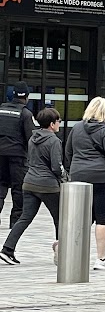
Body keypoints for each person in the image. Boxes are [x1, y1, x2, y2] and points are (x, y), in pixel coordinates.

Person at [0, 108, 63, 265]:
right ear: (52, 124)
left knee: (25, 217)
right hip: (48, 186)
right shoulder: (54, 141)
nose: (60, 123)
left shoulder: (32, 138)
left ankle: (7, 249)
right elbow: (56, 167)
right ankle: (63, 252)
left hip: (29, 183)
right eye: (58, 121)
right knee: (61, 219)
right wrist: (64, 176)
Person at [65, 97, 105, 270]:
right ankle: (101, 259)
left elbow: (68, 152)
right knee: (103, 218)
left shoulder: (76, 128)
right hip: (102, 177)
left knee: (80, 218)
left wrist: (75, 169)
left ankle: (72, 255)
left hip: (79, 176)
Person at [0, 81, 37, 228]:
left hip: (0, 155)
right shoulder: (25, 114)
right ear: (26, 97)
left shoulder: (1, 110)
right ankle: (15, 221)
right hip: (17, 156)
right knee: (18, 188)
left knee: (1, 185)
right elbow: (31, 138)